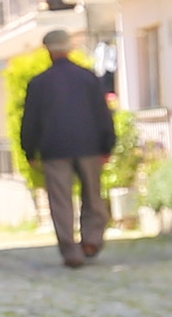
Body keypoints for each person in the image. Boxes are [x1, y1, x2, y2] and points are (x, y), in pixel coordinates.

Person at [18, 28, 117, 268]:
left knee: (61, 200)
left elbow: (30, 120)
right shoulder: (88, 78)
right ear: (70, 48)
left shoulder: (38, 83)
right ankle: (91, 240)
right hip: (89, 145)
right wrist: (107, 145)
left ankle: (70, 249)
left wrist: (29, 151)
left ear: (47, 51)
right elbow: (102, 114)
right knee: (93, 196)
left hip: (54, 148)